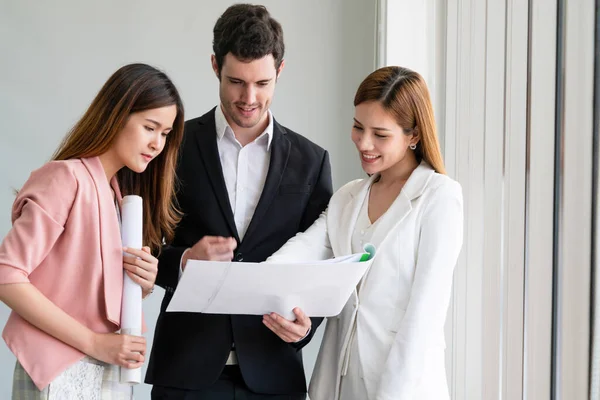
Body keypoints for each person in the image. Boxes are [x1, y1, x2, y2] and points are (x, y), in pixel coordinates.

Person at [145, 4, 333, 400]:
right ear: (215, 65)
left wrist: (307, 325)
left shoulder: (311, 161)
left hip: (273, 373)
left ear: (280, 71)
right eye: (236, 82)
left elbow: (322, 259)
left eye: (263, 83)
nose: (249, 98)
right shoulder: (171, 146)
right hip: (185, 370)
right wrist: (183, 261)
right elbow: (140, 253)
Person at [267, 66, 464, 400]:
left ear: (413, 135)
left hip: (403, 386)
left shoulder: (439, 197)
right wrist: (248, 283)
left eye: (380, 134)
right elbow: (298, 254)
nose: (364, 143)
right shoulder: (348, 197)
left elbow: (424, 314)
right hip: (339, 384)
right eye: (358, 127)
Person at [0, 63, 185, 399]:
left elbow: (85, 283)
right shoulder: (65, 178)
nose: (158, 143)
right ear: (117, 114)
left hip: (106, 373)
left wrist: (141, 281)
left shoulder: (118, 196)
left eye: (166, 133)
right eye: (150, 127)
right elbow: (6, 275)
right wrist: (95, 343)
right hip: (59, 373)